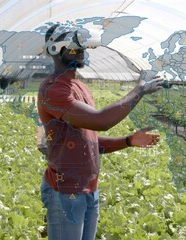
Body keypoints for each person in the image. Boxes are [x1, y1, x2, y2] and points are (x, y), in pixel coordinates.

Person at [37, 23, 164, 239]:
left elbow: (90, 141)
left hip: (89, 190)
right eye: (75, 46)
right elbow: (101, 120)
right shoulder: (53, 90)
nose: (82, 51)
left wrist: (128, 140)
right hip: (66, 193)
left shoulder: (81, 87)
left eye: (82, 46)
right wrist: (140, 90)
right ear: (56, 50)